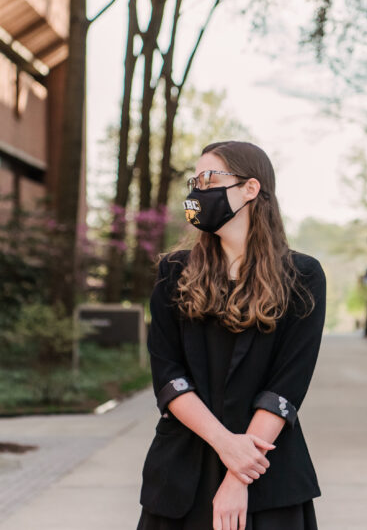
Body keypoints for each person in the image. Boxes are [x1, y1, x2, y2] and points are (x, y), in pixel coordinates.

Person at [137, 141, 326, 530]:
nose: (197, 191)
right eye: (195, 180)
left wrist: (239, 475)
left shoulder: (303, 277)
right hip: (182, 474)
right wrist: (228, 446)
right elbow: (168, 377)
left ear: (250, 189)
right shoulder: (175, 272)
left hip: (268, 476)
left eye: (209, 179)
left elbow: (287, 386)